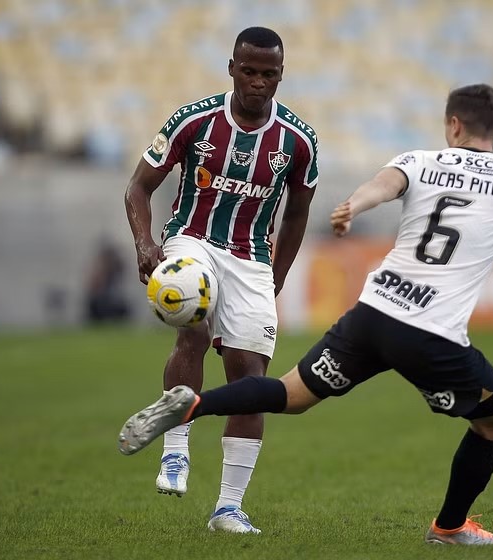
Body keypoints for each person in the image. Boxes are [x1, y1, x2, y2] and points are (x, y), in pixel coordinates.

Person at [118, 84, 493, 545]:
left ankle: (192, 404)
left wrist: (354, 204)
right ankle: (451, 526)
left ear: (453, 125)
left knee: (290, 394)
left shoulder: (422, 159)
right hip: (431, 335)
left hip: (372, 315)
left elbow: (382, 185)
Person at [123, 26, 319, 534]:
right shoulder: (193, 121)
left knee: (252, 380)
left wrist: (277, 275)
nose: (257, 82)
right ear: (231, 68)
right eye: (248, 71)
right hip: (190, 238)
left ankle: (228, 507)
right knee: (193, 321)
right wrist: (146, 244)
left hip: (251, 257)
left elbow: (297, 215)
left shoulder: (298, 141)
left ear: (281, 75)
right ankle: (175, 447)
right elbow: (139, 188)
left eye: (268, 74)